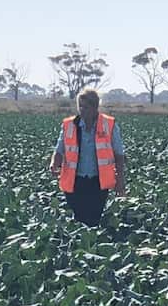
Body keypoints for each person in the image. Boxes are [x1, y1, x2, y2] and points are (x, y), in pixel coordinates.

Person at [48, 88, 126, 227]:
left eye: (86, 107)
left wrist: (120, 180)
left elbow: (119, 156)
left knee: (93, 220)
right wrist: (54, 163)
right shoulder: (69, 125)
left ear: (95, 107)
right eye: (80, 106)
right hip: (75, 181)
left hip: (98, 183)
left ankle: (91, 246)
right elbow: (59, 150)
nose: (82, 110)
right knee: (78, 220)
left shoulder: (109, 125)